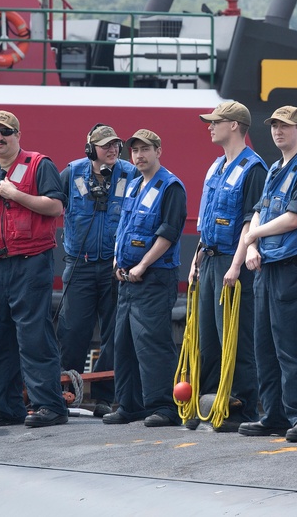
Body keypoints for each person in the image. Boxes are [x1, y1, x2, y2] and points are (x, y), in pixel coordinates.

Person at [0, 110, 68, 429]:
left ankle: (50, 406)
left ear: (17, 135)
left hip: (31, 262)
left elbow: (56, 206)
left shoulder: (40, 165)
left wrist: (15, 194)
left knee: (34, 334)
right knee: (0, 339)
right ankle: (6, 407)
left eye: (5, 132)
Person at [239, 106, 297, 443]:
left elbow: (294, 219)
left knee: (292, 343)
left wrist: (251, 237)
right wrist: (252, 247)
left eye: (285, 126)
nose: (278, 131)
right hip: (269, 264)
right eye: (274, 126)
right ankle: (273, 414)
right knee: (265, 344)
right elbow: (260, 210)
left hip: (294, 264)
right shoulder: (275, 167)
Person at [189, 101, 267, 430]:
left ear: (234, 125)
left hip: (230, 263)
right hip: (209, 260)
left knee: (235, 338)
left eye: (215, 121)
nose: (209, 126)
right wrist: (195, 262)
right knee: (208, 340)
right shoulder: (215, 167)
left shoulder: (254, 168)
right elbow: (206, 223)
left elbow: (250, 223)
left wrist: (235, 267)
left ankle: (241, 408)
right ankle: (208, 404)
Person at [105, 129, 186, 427]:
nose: (139, 155)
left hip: (154, 279)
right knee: (123, 344)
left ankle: (164, 406)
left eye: (145, 149)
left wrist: (142, 266)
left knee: (152, 343)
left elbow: (168, 233)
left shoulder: (171, 187)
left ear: (158, 151)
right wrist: (117, 261)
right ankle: (130, 405)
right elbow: (123, 227)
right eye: (135, 150)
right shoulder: (135, 186)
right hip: (127, 280)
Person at [56, 124, 135, 416]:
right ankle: (66, 391)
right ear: (91, 149)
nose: (113, 149)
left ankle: (104, 396)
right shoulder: (71, 173)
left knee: (115, 333)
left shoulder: (130, 174)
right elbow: (51, 206)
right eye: (106, 145)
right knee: (73, 330)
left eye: (116, 144)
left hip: (115, 269)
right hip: (80, 266)